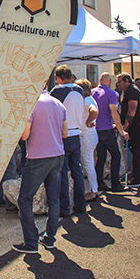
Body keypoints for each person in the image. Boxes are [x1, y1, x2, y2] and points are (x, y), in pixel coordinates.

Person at [12, 90, 68, 254]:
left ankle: (31, 242)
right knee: (53, 200)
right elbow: (64, 133)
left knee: (24, 199)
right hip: (58, 155)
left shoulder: (31, 104)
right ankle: (49, 238)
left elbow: (24, 135)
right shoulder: (58, 103)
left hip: (38, 157)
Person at [50, 65, 86, 216]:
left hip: (63, 135)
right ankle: (81, 203)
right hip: (76, 133)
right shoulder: (80, 90)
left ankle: (64, 207)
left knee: (62, 172)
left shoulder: (57, 91)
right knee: (76, 170)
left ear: (58, 78)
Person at [91, 72, 129, 193]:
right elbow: (114, 112)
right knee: (115, 154)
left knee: (101, 157)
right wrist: (121, 130)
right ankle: (115, 183)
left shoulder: (93, 92)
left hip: (96, 128)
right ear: (110, 81)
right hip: (106, 128)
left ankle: (99, 182)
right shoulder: (112, 94)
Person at [75, 78, 99, 201]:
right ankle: (93, 188)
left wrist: (88, 121)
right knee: (89, 163)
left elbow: (94, 111)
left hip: (86, 135)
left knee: (88, 163)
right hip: (89, 134)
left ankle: (93, 190)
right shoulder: (89, 99)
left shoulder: (86, 100)